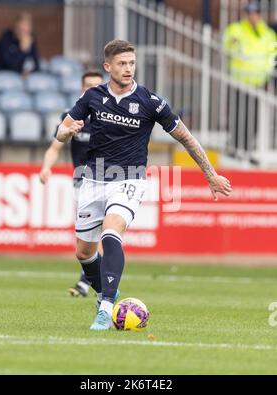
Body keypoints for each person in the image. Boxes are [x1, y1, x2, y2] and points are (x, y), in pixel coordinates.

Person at [56, 39, 232, 331]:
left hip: (129, 179)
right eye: (122, 64)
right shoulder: (92, 97)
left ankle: (107, 307)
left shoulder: (152, 102)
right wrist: (66, 133)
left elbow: (186, 137)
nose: (128, 69)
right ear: (107, 66)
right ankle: (104, 294)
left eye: (132, 63)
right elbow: (62, 131)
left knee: (112, 231)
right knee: (84, 253)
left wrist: (210, 174)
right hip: (93, 179)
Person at [39, 70, 104, 297]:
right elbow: (55, 145)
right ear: (82, 89)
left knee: (102, 235)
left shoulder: (110, 116)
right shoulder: (72, 116)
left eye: (97, 86)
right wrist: (47, 167)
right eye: (89, 86)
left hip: (108, 181)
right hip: (81, 185)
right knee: (91, 240)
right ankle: (96, 285)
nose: (93, 90)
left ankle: (90, 285)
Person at [223, 1, 276, 88]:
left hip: (260, 80)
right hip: (240, 80)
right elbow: (228, 45)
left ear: (259, 15)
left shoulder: (268, 33)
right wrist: (233, 43)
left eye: (255, 13)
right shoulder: (236, 28)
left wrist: (268, 70)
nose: (252, 16)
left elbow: (273, 54)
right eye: (250, 13)